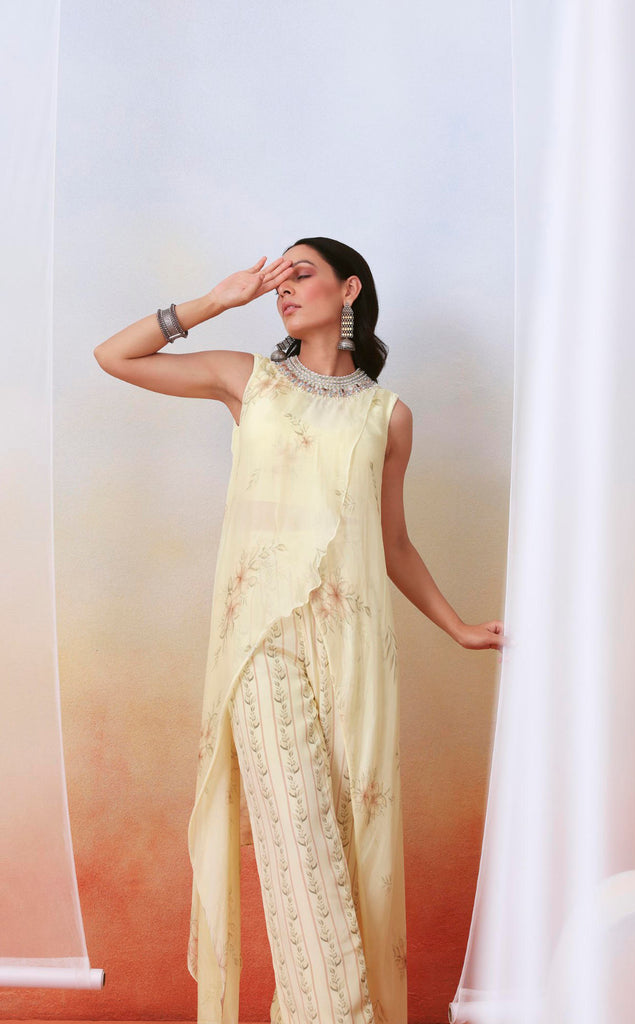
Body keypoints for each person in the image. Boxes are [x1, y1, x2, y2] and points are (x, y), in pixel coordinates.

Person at [94, 236, 507, 1024]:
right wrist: (219, 299)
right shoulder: (247, 381)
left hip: (354, 650)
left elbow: (391, 543)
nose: (281, 286)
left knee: (346, 849)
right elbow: (116, 356)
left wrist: (455, 626)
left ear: (348, 291)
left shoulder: (389, 416)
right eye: (276, 275)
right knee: (299, 841)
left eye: (299, 273)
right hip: (262, 643)